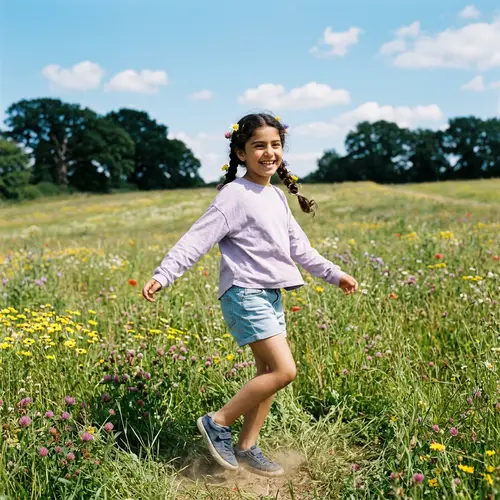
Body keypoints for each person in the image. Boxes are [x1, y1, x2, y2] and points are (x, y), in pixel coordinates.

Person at [142, 113, 358, 477]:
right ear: (241, 153)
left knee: (269, 371)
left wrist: (334, 274)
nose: (268, 152)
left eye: (275, 145)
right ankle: (217, 421)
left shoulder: (275, 196)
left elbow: (300, 249)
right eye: (259, 145)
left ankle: (245, 447)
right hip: (244, 292)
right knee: (285, 370)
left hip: (271, 294)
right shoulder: (235, 196)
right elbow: (196, 239)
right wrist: (164, 274)